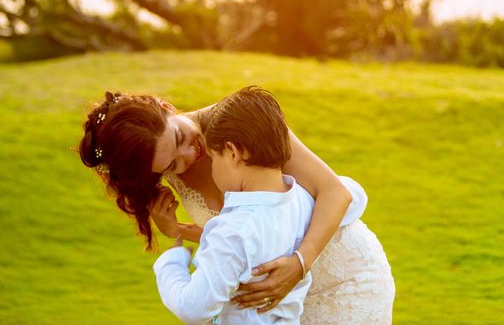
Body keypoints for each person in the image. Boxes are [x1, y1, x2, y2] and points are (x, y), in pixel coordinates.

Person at [79, 89, 394, 324]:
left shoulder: (240, 120)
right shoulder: (170, 172)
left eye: (178, 138)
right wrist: (178, 231)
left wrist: (299, 265)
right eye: (172, 165)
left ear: (166, 107)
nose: (189, 155)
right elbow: (247, 237)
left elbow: (335, 193)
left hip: (344, 277)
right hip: (281, 307)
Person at [154, 86, 316, 324]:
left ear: (231, 153)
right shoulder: (301, 197)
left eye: (213, 159)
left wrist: (171, 264)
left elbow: (192, 309)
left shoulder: (233, 231)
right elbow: (354, 195)